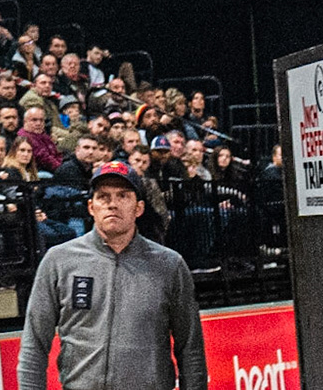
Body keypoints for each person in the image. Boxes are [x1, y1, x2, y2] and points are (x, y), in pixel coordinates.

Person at [18, 161, 204, 390]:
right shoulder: (59, 260)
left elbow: (190, 348)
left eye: (123, 196)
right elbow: (34, 344)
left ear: (139, 208)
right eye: (103, 197)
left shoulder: (169, 265)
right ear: (90, 207)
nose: (112, 204)